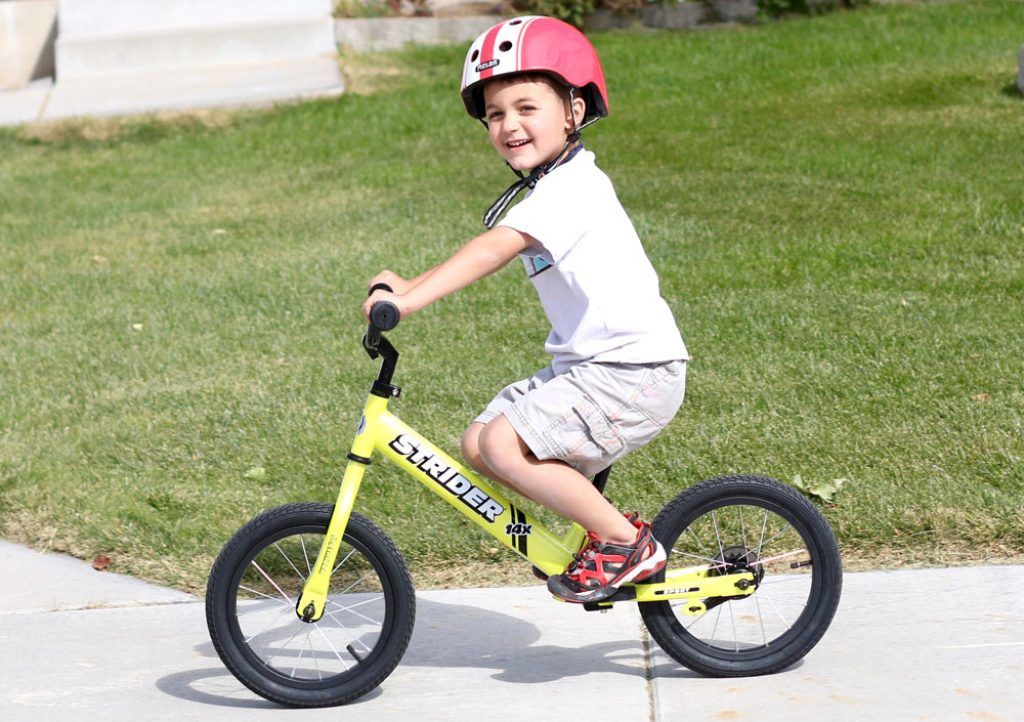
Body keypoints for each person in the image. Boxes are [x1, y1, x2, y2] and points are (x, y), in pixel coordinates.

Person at [363, 16, 688, 603]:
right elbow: (491, 244)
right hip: (593, 369)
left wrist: (408, 300)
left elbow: (491, 249)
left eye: (526, 107)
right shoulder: (551, 189)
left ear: (574, 110)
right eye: (495, 114)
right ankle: (596, 530)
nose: (509, 124)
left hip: (630, 373)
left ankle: (623, 542)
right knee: (479, 441)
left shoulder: (572, 188)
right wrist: (408, 283)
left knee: (502, 446)